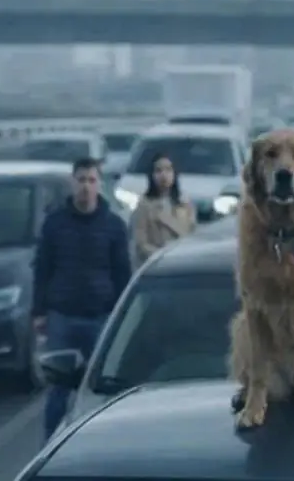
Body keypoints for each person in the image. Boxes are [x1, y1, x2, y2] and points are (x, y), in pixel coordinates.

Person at [33, 157, 132, 440]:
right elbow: (42, 268)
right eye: (81, 180)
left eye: (91, 180)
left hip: (101, 317)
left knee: (100, 389)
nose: (86, 187)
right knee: (58, 390)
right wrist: (38, 312)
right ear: (72, 183)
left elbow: (122, 273)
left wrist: (122, 317)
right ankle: (49, 448)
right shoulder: (55, 224)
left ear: (99, 184)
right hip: (62, 316)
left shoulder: (113, 225)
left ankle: (99, 441)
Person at [132, 153, 196, 266]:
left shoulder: (185, 203)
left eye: (168, 170)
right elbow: (141, 244)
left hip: (184, 263)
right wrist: (161, 255)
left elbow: (193, 235)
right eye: (158, 170)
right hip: (158, 265)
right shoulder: (144, 206)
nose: (163, 175)